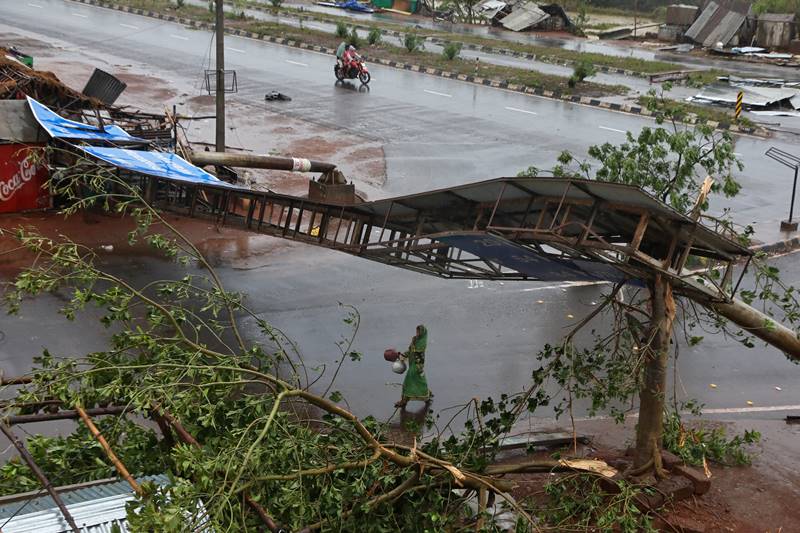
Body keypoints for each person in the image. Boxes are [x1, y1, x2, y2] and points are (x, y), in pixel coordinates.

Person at [395, 325, 433, 409]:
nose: (417, 333)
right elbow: (410, 351)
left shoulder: (421, 343)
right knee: (419, 381)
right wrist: (403, 355)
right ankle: (426, 395)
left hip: (417, 365)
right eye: (417, 331)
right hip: (412, 364)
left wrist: (419, 368)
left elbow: (418, 354)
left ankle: (404, 400)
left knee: (408, 382)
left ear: (422, 333)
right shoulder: (415, 339)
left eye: (419, 332)